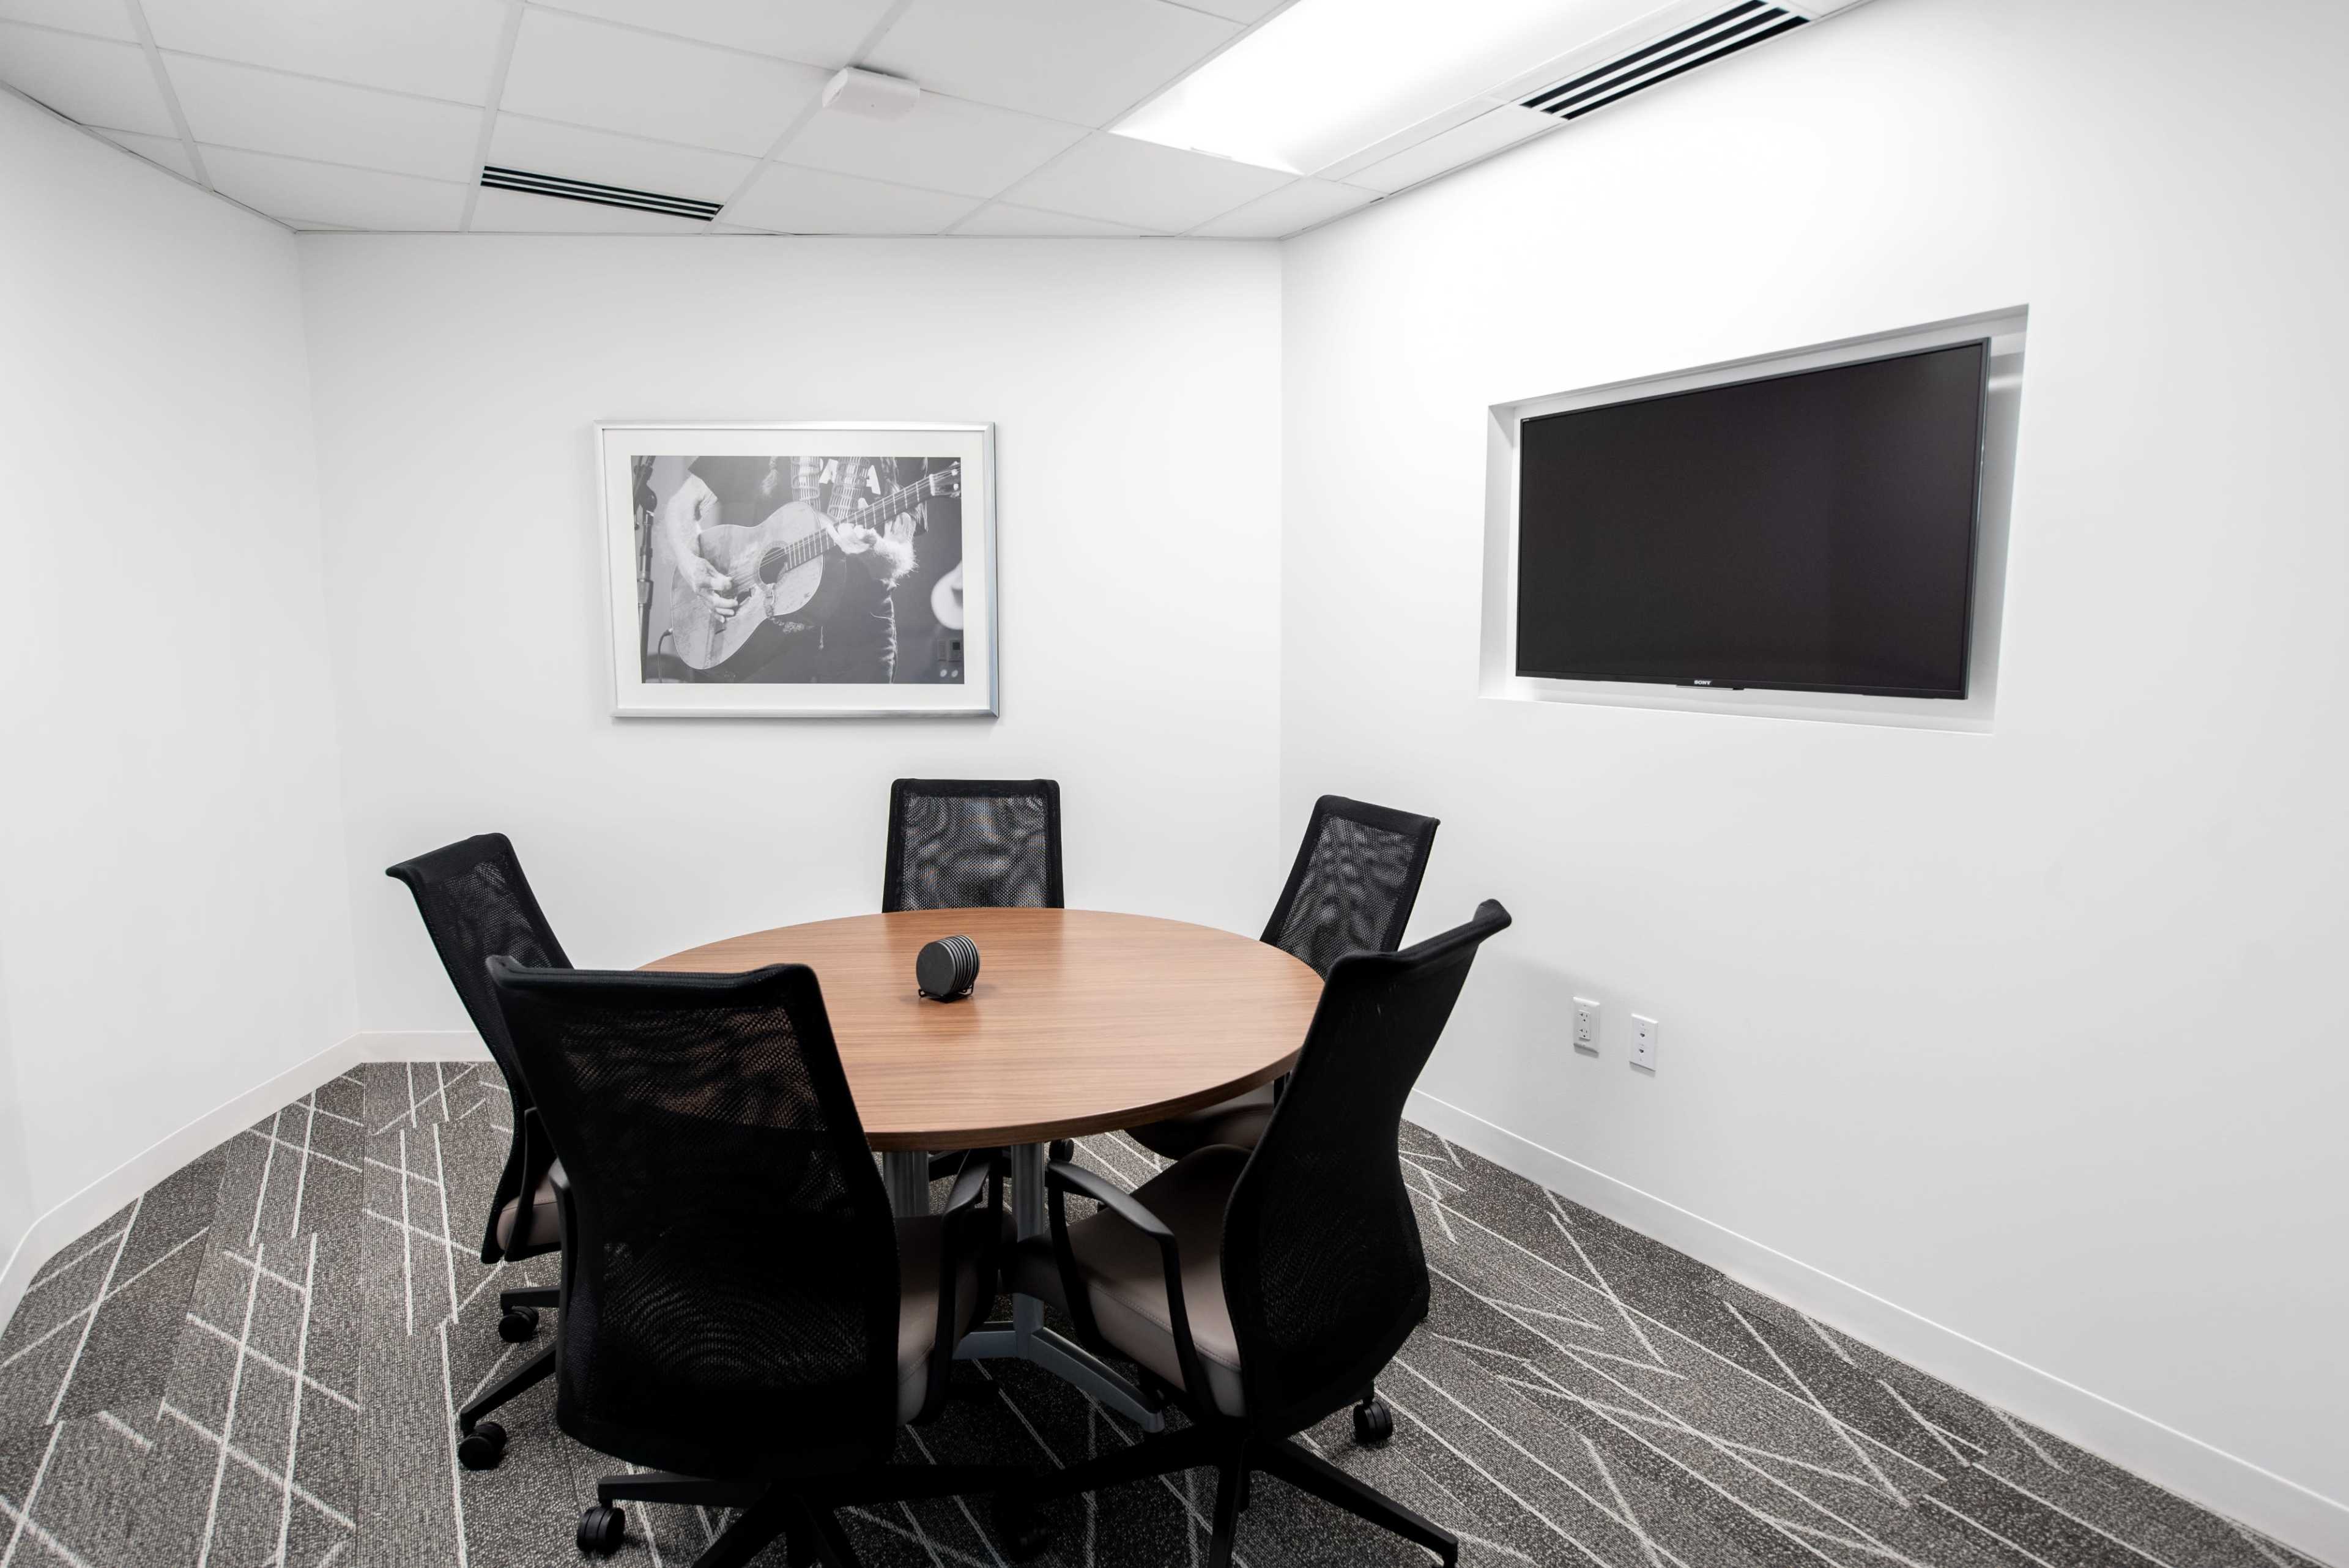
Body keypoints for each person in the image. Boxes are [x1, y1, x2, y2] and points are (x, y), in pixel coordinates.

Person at [657, 455, 914, 683]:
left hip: (860, 639)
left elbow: (900, 557)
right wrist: (691, 565)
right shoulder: (766, 429)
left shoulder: (899, 446)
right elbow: (682, 505)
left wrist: (873, 547)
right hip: (769, 638)